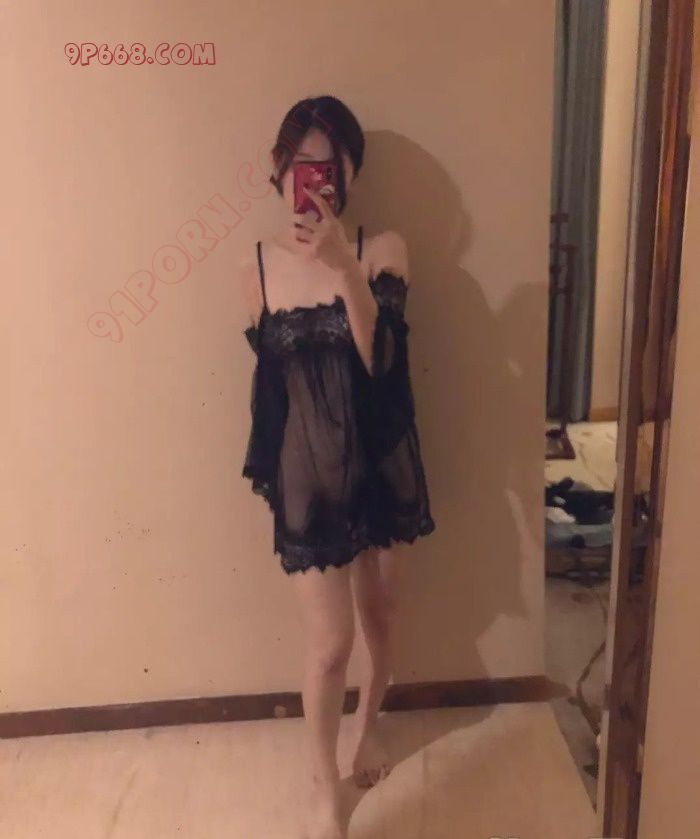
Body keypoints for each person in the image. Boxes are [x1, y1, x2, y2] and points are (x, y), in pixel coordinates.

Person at [240, 95, 436, 839]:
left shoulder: (383, 247)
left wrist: (345, 268)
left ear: (350, 171)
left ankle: (370, 725)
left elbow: (378, 359)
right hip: (311, 481)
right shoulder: (257, 266)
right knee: (329, 647)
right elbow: (273, 392)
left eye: (331, 163)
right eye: (303, 163)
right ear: (279, 168)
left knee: (380, 621)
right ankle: (326, 789)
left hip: (380, 462)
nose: (315, 177)